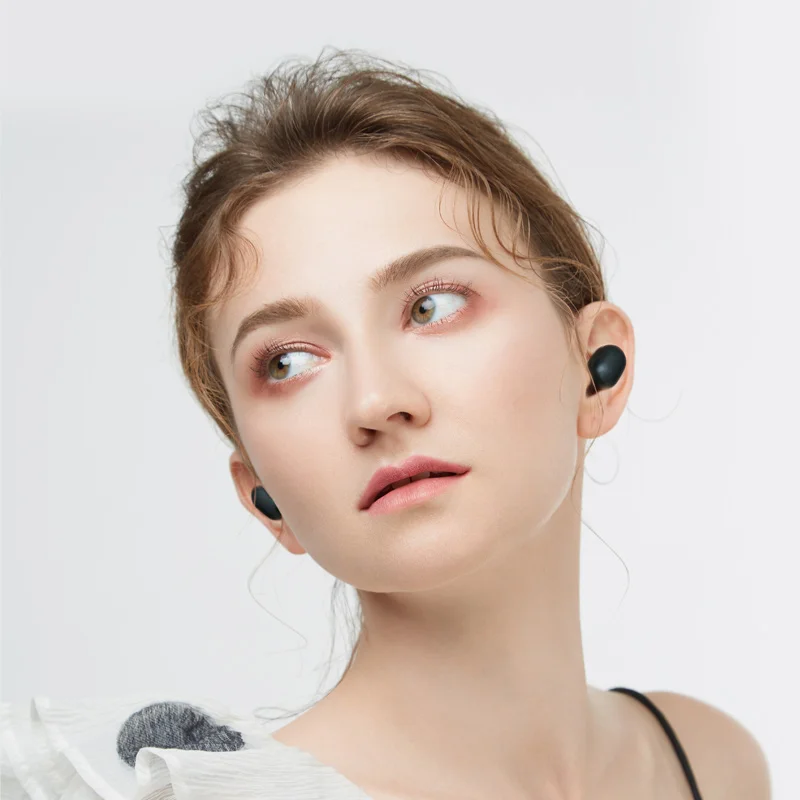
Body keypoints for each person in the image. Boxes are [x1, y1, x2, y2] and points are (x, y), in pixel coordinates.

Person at [1, 48, 770, 800]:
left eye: (431, 306)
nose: (374, 402)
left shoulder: (713, 764)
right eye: (288, 362)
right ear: (262, 492)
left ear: (599, 364)